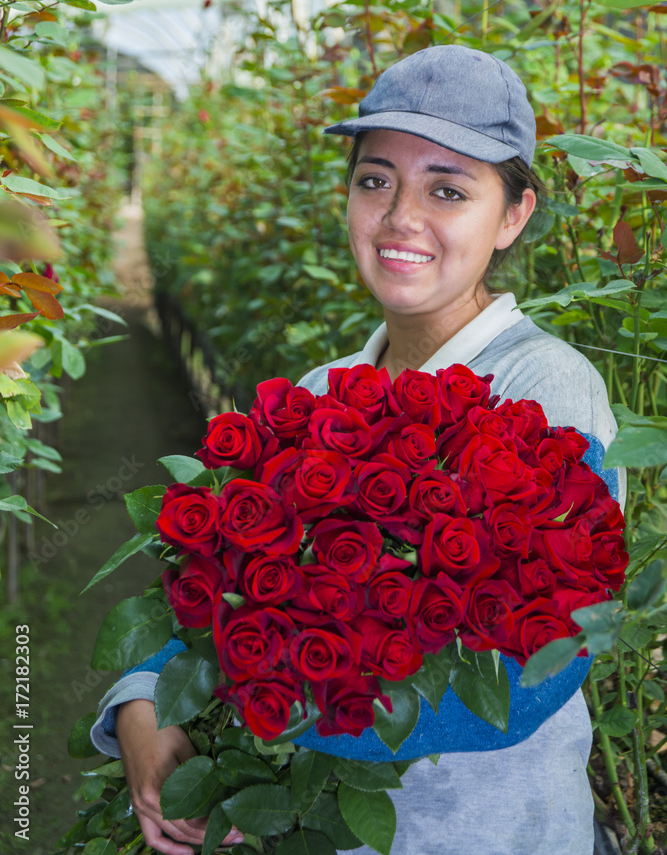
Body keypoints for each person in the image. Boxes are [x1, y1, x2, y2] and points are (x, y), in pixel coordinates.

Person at [90, 45, 625, 855]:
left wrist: (259, 702)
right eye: (375, 180)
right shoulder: (319, 389)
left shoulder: (543, 388)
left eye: (447, 189)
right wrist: (140, 701)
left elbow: (536, 673)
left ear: (513, 215)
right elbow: (212, 587)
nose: (400, 216)